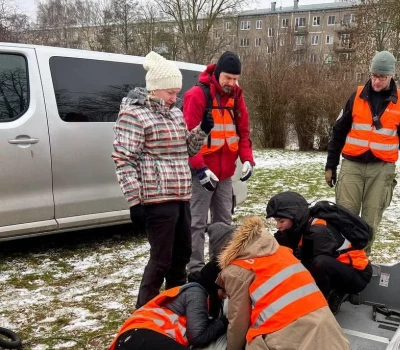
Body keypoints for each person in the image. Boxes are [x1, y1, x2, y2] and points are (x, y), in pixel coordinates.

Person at [112, 51, 214, 309]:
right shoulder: (133, 115)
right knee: (160, 259)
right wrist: (134, 201)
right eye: (170, 92)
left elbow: (187, 151)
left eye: (177, 92)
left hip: (181, 195)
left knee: (181, 256)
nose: (174, 98)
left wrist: (202, 130)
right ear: (155, 89)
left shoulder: (175, 114)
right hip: (157, 200)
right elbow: (124, 160)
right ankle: (142, 314)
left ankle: (177, 306)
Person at [324, 50, 400, 255]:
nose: (377, 81)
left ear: (391, 76)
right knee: (345, 217)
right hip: (352, 166)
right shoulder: (357, 96)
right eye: (373, 76)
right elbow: (338, 132)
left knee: (369, 222)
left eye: (382, 77)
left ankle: (362, 263)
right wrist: (331, 165)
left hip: (381, 170)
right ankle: (341, 262)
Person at [217, 216, 350, 350]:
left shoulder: (237, 270)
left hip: (288, 335)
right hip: (328, 331)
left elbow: (238, 321)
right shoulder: (279, 250)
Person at [184, 51, 255, 273]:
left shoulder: (237, 98)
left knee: (223, 222)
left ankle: (220, 265)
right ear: (217, 74)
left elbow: (243, 134)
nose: (232, 83)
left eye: (235, 79)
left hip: (225, 174)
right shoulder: (197, 95)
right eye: (228, 78)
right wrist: (199, 168)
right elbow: (186, 138)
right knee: (196, 223)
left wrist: (248, 160)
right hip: (202, 173)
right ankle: (195, 268)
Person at [266, 191, 373, 315]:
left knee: (319, 263)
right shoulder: (296, 227)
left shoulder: (318, 231)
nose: (278, 225)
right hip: (338, 269)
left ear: (294, 216)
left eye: (281, 221)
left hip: (358, 275)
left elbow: (305, 267)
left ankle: (321, 304)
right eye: (276, 221)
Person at [109, 260, 228, 350]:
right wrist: (224, 322)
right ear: (213, 285)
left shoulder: (199, 294)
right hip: (141, 334)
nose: (224, 296)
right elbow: (197, 337)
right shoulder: (196, 293)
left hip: (138, 337)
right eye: (223, 290)